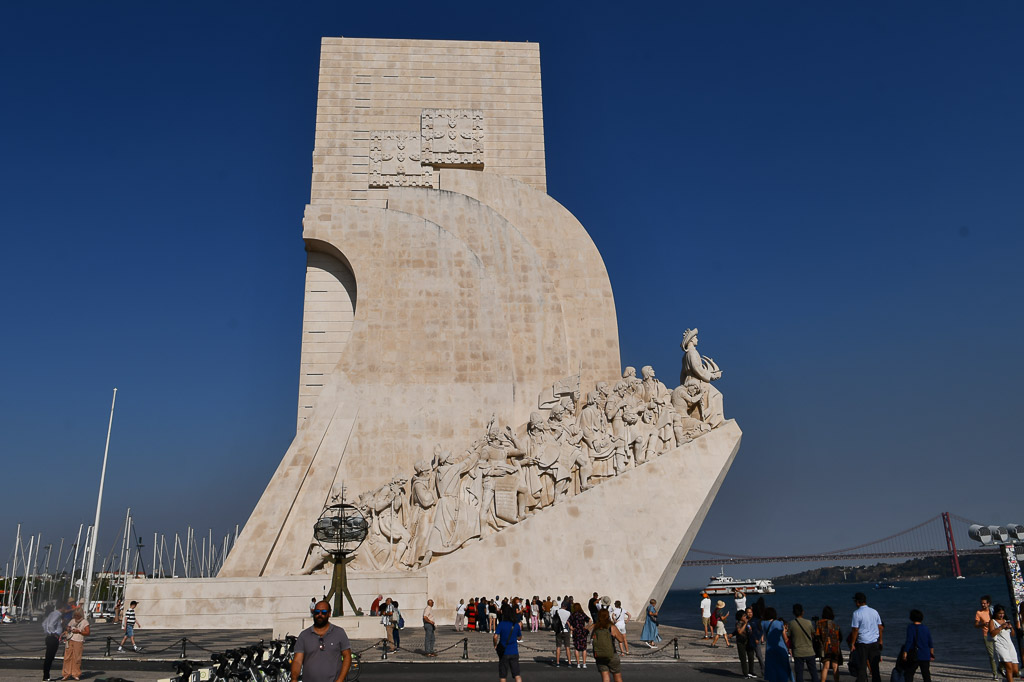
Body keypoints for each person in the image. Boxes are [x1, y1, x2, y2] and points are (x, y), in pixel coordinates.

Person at [291, 600, 352, 682]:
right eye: (316, 612)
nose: (320, 615)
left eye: (323, 612)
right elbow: (297, 661)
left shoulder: (339, 633)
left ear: (329, 614)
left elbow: (347, 657)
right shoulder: (304, 635)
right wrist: (294, 678)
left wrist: (340, 679)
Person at [849, 592, 883, 682]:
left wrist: (852, 643)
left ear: (857, 602)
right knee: (875, 668)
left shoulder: (856, 613)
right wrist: (880, 641)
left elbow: (855, 629)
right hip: (874, 643)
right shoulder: (874, 611)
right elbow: (880, 627)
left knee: (862, 668)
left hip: (862, 643)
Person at [588, 608, 628, 682]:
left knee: (605, 678)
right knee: (617, 677)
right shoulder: (611, 627)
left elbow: (592, 639)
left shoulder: (596, 628)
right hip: (612, 654)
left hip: (600, 655)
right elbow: (621, 639)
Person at [901, 609, 934, 682]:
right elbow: (930, 642)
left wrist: (905, 652)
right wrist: (931, 654)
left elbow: (909, 641)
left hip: (915, 655)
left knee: (909, 674)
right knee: (926, 675)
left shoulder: (911, 627)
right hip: (925, 654)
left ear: (911, 617)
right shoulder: (926, 628)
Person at [989, 605, 1019, 682]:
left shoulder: (1006, 621)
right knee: (1009, 667)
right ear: (995, 613)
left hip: (1010, 645)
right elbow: (992, 634)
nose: (1001, 615)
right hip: (1000, 645)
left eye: (1002, 613)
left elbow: (1013, 634)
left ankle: (1005, 676)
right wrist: (1001, 627)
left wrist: (1011, 627)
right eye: (999, 613)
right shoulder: (992, 621)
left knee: (1015, 671)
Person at [494, 604, 523, 682]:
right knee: (517, 674)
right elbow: (519, 637)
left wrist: (495, 645)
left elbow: (495, 636)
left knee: (503, 676)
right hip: (514, 651)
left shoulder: (501, 624)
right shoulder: (516, 625)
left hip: (504, 652)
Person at [789, 603, 817, 682]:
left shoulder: (791, 623)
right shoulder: (808, 622)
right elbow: (813, 634)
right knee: (813, 672)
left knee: (799, 673)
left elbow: (789, 636)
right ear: (802, 612)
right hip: (809, 651)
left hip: (798, 651)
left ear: (794, 613)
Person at [60, 605, 89, 681]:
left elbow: (87, 632)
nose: (76, 617)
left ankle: (76, 673)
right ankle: (66, 673)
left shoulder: (85, 622)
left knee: (77, 658)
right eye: (75, 615)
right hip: (70, 639)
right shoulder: (72, 620)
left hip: (78, 641)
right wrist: (68, 628)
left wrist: (79, 631)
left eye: (77, 615)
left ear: (81, 615)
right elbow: (68, 627)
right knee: (67, 657)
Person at [763, 606, 792, 682]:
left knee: (772, 669)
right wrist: (789, 648)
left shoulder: (763, 623)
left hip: (770, 649)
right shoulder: (779, 623)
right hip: (781, 647)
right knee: (783, 668)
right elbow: (785, 638)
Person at [815, 605, 843, 682]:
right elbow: (840, 637)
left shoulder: (819, 624)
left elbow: (817, 636)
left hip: (825, 648)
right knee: (835, 666)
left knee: (826, 666)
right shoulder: (835, 625)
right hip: (835, 648)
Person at [976, 594, 998, 680]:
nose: (983, 605)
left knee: (1000, 653)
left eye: (984, 603)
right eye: (982, 603)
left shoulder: (993, 611)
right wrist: (982, 624)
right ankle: (995, 673)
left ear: (988, 603)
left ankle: (1002, 669)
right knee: (991, 655)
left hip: (997, 633)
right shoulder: (979, 612)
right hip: (987, 635)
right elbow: (976, 624)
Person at [42, 603, 64, 682]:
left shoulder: (51, 614)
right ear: (62, 607)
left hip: (49, 637)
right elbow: (51, 625)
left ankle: (46, 675)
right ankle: (46, 676)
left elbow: (44, 624)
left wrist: (46, 632)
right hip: (53, 638)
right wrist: (54, 633)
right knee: (50, 657)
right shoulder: (57, 614)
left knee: (48, 657)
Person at [568, 602, 591, 668]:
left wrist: (571, 628)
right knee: (584, 648)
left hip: (576, 631)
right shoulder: (582, 614)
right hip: (583, 631)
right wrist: (587, 626)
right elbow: (590, 620)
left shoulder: (573, 614)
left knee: (577, 648)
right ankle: (584, 663)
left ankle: (578, 664)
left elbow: (568, 621)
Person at [734, 609, 756, 679]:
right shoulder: (738, 623)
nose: (745, 617)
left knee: (751, 656)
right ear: (740, 617)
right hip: (741, 642)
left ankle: (751, 671)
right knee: (743, 658)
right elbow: (739, 632)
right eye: (744, 616)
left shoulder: (748, 622)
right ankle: (745, 673)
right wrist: (745, 624)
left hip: (748, 641)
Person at [747, 606, 766, 679]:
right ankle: (750, 671)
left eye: (751, 612)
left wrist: (759, 638)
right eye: (748, 612)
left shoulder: (756, 620)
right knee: (750, 657)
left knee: (759, 655)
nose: (749, 614)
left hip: (756, 641)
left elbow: (761, 631)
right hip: (749, 641)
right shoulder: (746, 621)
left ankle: (764, 671)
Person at [553, 601, 572, 666]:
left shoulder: (557, 611)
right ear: (566, 606)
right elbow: (569, 621)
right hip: (566, 630)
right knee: (567, 647)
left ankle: (557, 662)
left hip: (559, 630)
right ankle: (569, 662)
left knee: (558, 647)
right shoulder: (568, 613)